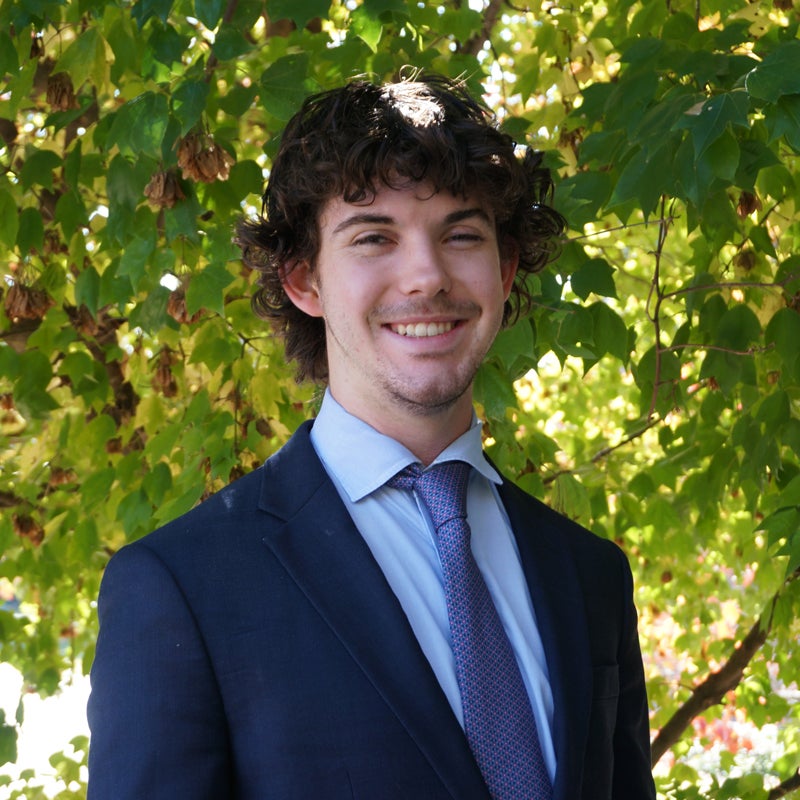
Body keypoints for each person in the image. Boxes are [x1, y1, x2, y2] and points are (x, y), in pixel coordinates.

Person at [87, 74, 656, 800]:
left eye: (461, 234)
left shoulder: (591, 576)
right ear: (303, 280)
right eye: (373, 237)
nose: (426, 274)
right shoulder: (182, 588)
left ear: (506, 270)